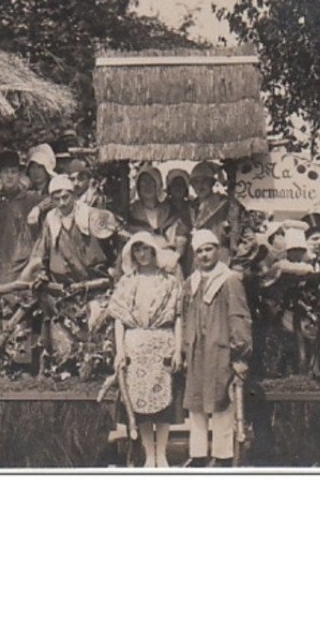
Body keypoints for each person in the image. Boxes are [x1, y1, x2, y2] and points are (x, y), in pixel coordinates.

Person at [108, 232, 183, 468]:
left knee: (164, 402)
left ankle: (162, 453)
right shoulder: (127, 282)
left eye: (145, 249)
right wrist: (120, 351)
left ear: (153, 251)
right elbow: (119, 318)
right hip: (135, 346)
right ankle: (149, 454)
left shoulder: (169, 281)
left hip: (162, 343)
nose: (142, 254)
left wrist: (179, 349)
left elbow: (178, 317)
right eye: (137, 250)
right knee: (140, 401)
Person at [181, 230, 252, 467]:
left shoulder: (229, 279)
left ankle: (222, 455)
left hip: (220, 349)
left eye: (208, 249)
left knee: (222, 403)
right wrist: (183, 348)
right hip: (196, 350)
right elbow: (184, 316)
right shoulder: (191, 282)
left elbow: (239, 316)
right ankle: (198, 454)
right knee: (196, 404)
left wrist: (239, 352)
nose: (204, 255)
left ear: (218, 250)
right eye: (199, 251)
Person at [22, 175, 118, 285]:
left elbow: (114, 245)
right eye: (57, 199)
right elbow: (40, 252)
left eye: (65, 197)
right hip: (64, 287)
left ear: (73, 195)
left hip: (94, 282)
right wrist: (40, 273)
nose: (62, 203)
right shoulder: (51, 220)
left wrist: (113, 269)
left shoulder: (91, 215)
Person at [0, 150, 40, 284]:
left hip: (26, 264)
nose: (9, 176)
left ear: (19, 175)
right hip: (3, 263)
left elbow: (54, 197)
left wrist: (40, 208)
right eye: (6, 172)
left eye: (13, 172)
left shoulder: (30, 198)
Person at [127, 164, 186, 272]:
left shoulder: (169, 210)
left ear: (158, 184)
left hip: (168, 263)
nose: (147, 186)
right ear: (138, 187)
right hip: (142, 264)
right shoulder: (132, 212)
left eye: (151, 181)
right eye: (143, 182)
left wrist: (175, 257)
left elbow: (181, 239)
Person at [189, 160, 247, 263]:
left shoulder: (224, 203)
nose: (199, 186)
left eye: (204, 181)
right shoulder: (191, 206)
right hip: (198, 257)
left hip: (219, 255)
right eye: (196, 182)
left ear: (212, 183)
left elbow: (235, 228)